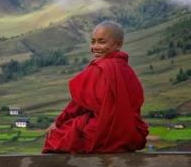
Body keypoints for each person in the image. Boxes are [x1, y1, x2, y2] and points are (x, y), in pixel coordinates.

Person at [42, 20, 149, 153]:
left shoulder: (99, 68)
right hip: (129, 136)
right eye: (93, 41)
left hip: (102, 136)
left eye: (102, 42)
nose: (95, 47)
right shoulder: (128, 70)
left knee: (56, 138)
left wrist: (58, 124)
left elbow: (77, 105)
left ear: (118, 44)